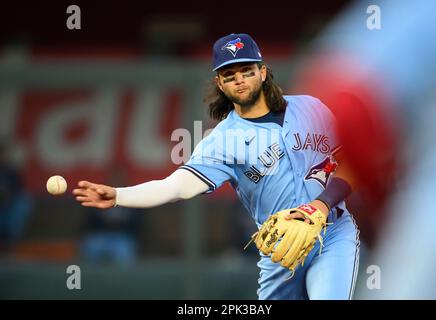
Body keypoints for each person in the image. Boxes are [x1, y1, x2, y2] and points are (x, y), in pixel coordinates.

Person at [73, 33, 360, 300]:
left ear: (263, 72)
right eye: (229, 74)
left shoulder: (311, 108)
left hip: (332, 234)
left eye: (246, 70)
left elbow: (354, 163)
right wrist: (119, 196)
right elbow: (176, 187)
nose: (239, 79)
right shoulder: (222, 140)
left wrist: (321, 205)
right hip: (280, 251)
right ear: (220, 83)